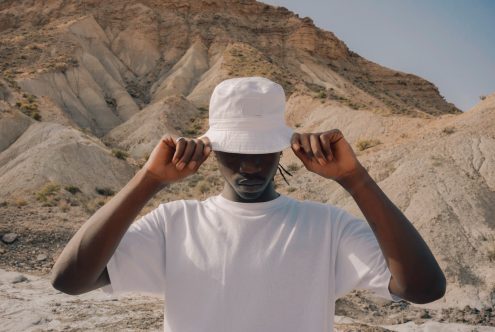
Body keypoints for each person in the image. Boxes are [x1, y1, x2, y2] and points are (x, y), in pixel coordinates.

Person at [50, 77, 446, 331]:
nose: (252, 164)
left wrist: (354, 179)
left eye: (262, 150)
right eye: (236, 151)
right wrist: (148, 181)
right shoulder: (175, 223)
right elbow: (70, 280)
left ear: (283, 147)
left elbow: (424, 288)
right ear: (210, 149)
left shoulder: (327, 227)